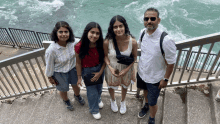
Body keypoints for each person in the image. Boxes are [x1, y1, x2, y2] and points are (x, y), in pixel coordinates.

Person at [137, 8, 176, 124]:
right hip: (142, 72)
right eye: (146, 18)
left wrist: (165, 79)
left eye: (152, 18)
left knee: (154, 102)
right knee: (145, 91)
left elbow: (171, 62)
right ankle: (146, 105)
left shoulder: (166, 40)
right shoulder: (142, 32)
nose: (149, 21)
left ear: (158, 20)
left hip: (155, 78)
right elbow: (139, 47)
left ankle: (152, 118)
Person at [45, 21, 85, 111]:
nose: (64, 34)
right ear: (56, 33)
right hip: (59, 73)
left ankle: (77, 96)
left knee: (76, 85)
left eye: (66, 32)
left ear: (69, 32)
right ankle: (66, 100)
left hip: (73, 69)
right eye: (60, 32)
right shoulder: (51, 50)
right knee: (63, 89)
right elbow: (49, 65)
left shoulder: (74, 42)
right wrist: (50, 77)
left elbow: (85, 41)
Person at [104, 15, 137, 114]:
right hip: (112, 68)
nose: (118, 29)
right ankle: (113, 100)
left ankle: (123, 101)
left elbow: (135, 57)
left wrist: (126, 70)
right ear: (112, 28)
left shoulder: (133, 42)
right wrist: (110, 67)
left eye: (120, 26)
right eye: (115, 27)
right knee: (111, 86)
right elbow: (105, 56)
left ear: (125, 26)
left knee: (125, 86)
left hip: (126, 68)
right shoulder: (107, 42)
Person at [75, 22, 105, 120]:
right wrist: (79, 77)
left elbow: (105, 59)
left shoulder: (101, 44)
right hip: (88, 71)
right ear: (87, 32)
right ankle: (94, 110)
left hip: (100, 68)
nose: (94, 35)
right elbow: (78, 63)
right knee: (92, 93)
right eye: (92, 32)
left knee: (99, 88)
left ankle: (98, 99)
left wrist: (100, 72)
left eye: (97, 33)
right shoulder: (79, 46)